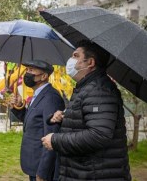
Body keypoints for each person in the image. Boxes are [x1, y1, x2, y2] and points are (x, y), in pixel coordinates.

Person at [41, 40, 131, 180]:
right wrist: (64, 118)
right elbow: (89, 122)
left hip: (94, 174)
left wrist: (55, 140)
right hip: (83, 171)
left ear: (90, 63)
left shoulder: (99, 90)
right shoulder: (87, 87)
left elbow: (98, 135)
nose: (70, 60)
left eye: (76, 56)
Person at [11, 60, 65, 181]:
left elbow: (52, 137)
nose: (27, 73)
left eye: (31, 70)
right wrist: (17, 106)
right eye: (27, 70)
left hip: (41, 167)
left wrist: (43, 172)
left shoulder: (51, 98)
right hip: (33, 162)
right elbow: (32, 121)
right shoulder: (39, 94)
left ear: (44, 76)